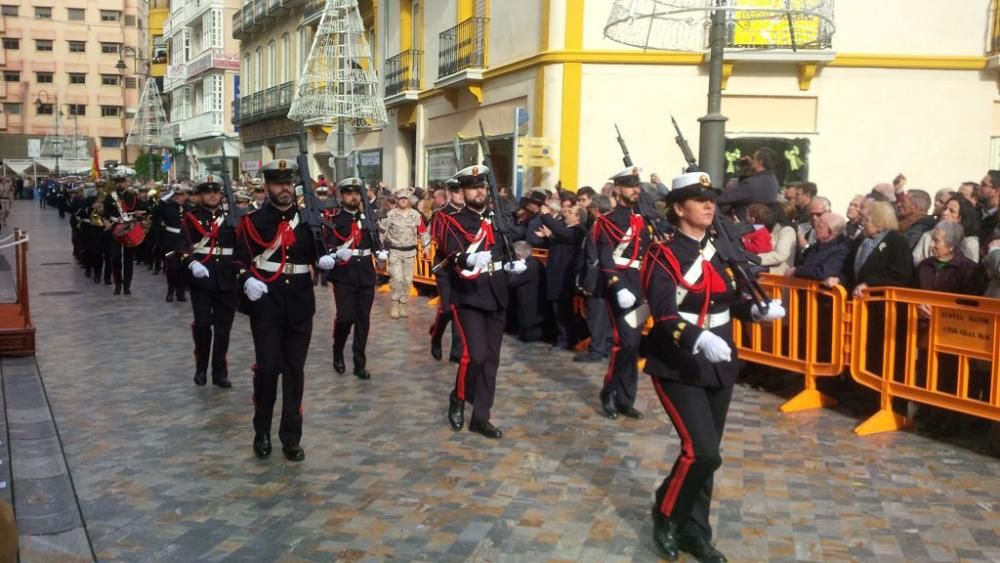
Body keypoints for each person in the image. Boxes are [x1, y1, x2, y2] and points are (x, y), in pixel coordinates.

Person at [642, 171, 784, 562]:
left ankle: (696, 532)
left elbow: (731, 299)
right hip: (679, 363)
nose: (708, 204)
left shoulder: (722, 249)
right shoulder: (663, 253)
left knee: (710, 452)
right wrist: (696, 337)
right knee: (701, 451)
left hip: (720, 362)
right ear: (677, 207)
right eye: (697, 198)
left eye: (711, 198)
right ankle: (666, 512)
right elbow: (665, 314)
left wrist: (755, 310)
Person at [234, 158, 324, 462]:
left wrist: (328, 259)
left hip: (300, 303)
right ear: (267, 187)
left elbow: (322, 252)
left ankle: (291, 437)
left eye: (288, 183)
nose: (284, 189)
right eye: (277, 183)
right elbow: (238, 260)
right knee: (268, 369)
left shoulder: (310, 217)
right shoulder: (253, 221)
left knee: (294, 373)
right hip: (268, 304)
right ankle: (261, 430)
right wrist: (247, 280)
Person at [441, 165, 525, 439]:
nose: (480, 191)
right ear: (463, 191)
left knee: (491, 360)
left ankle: (481, 416)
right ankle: (459, 397)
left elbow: (508, 247)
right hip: (469, 294)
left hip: (496, 292)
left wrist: (513, 264)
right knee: (474, 356)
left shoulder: (498, 218)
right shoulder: (451, 220)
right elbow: (451, 253)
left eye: (483, 186)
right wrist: (468, 259)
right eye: (473, 187)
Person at [593, 166, 651, 421]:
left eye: (637, 185)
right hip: (621, 287)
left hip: (640, 287)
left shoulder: (642, 220)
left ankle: (626, 399)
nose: (635, 189)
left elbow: (647, 255)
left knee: (633, 344)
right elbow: (605, 258)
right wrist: (617, 285)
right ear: (617, 189)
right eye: (629, 185)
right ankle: (608, 391)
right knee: (624, 342)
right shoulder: (607, 221)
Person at [325, 178, 387, 379]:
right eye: (349, 193)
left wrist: (380, 253)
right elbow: (327, 245)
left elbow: (375, 241)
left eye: (357, 193)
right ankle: (337, 350)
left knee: (363, 320)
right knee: (345, 317)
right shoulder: (335, 220)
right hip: (344, 274)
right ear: (342, 196)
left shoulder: (368, 218)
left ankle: (359, 363)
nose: (354, 197)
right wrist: (335, 253)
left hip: (365, 274)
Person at [179, 175, 238, 388]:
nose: (212, 195)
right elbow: (181, 247)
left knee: (224, 330)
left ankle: (219, 372)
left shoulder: (232, 217)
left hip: (227, 280)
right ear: (200, 195)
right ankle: (201, 368)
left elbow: (242, 246)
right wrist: (191, 263)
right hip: (202, 281)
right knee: (203, 326)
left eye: (216, 191)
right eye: (207, 191)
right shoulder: (190, 218)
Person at [535, 203, 587, 349]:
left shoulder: (578, 231)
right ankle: (561, 337)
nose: (566, 213)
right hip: (557, 275)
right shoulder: (568, 231)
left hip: (565, 277)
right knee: (557, 309)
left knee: (563, 310)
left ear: (577, 217)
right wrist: (550, 236)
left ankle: (566, 339)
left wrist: (546, 215)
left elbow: (562, 233)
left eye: (570, 212)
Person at [428, 179, 465, 362]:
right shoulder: (440, 214)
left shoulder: (470, 213)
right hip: (446, 268)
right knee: (447, 309)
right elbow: (441, 239)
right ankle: (436, 334)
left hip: (464, 269)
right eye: (457, 191)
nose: (461, 194)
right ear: (449, 193)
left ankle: (456, 352)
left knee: (459, 309)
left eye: (463, 191)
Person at [381, 186, 430, 319]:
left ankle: (403, 304)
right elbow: (382, 232)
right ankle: (395, 304)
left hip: (410, 252)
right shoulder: (390, 215)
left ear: (409, 200)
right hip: (395, 251)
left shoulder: (416, 215)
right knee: (397, 278)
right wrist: (380, 249)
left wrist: (426, 246)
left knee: (407, 280)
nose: (403, 201)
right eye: (401, 198)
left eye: (405, 198)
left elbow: (423, 231)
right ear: (397, 200)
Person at [103, 172, 145, 295]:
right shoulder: (110, 197)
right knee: (115, 258)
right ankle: (118, 284)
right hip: (115, 231)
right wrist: (107, 222)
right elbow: (105, 214)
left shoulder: (132, 197)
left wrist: (139, 214)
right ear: (115, 183)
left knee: (128, 259)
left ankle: (127, 286)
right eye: (118, 182)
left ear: (126, 183)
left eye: (122, 181)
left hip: (129, 230)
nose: (120, 184)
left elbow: (141, 210)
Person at [912, 195, 980, 265]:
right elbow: (915, 260)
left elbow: (971, 270)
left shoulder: (970, 244)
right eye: (945, 209)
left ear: (961, 218)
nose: (944, 213)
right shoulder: (928, 235)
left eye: (952, 211)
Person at [789, 212, 850, 287]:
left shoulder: (840, 250)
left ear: (830, 231)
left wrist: (797, 271)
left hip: (822, 295)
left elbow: (824, 273)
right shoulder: (816, 246)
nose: (815, 229)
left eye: (820, 227)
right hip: (804, 292)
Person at [718, 147, 780, 219]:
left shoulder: (751, 183)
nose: (752, 161)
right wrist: (748, 168)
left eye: (753, 158)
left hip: (744, 223)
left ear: (760, 161)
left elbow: (725, 198)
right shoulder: (773, 180)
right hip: (762, 223)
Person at [160, 186, 191, 302]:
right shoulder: (167, 207)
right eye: (176, 195)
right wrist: (171, 192)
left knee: (183, 267)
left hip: (184, 242)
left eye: (181, 195)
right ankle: (170, 291)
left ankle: (180, 293)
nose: (179, 197)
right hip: (170, 242)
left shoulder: (189, 208)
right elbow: (161, 202)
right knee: (172, 268)